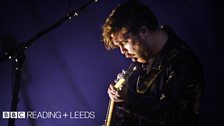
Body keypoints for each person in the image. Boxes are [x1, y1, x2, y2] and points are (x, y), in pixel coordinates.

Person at [102, 1, 204, 126]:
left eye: (125, 42)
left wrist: (128, 100)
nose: (123, 51)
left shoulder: (184, 62)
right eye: (119, 46)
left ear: (143, 32)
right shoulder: (142, 58)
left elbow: (169, 114)